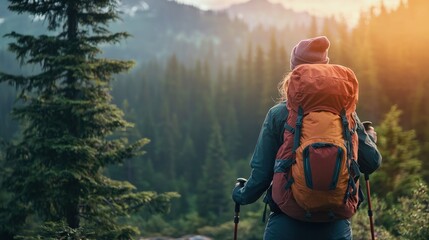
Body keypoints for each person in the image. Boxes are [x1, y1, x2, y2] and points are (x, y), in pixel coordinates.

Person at [232, 36, 381, 240]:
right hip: (334, 225)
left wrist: (240, 194)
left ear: (295, 72)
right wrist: (369, 138)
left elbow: (262, 174)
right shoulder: (347, 116)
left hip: (287, 223)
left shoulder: (278, 114)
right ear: (326, 67)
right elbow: (371, 162)